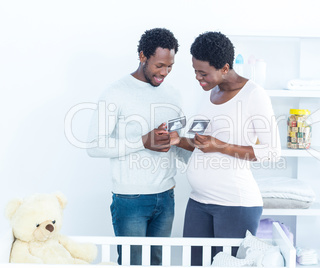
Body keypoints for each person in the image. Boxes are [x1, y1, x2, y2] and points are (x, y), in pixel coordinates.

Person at [171, 31, 281, 265]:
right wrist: (176, 140)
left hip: (235, 204)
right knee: (193, 264)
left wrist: (220, 146)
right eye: (195, 72)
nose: (198, 78)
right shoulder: (210, 92)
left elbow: (272, 151)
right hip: (198, 201)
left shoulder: (254, 95)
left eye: (203, 73)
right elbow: (202, 144)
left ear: (224, 68)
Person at [87, 28, 190, 265]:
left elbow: (178, 144)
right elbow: (94, 146)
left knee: (156, 262)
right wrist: (143, 141)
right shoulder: (116, 93)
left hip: (167, 196)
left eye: (170, 66)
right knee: (133, 262)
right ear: (143, 56)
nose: (164, 73)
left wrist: (195, 146)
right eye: (159, 65)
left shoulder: (174, 94)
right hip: (131, 198)